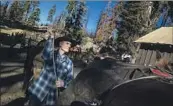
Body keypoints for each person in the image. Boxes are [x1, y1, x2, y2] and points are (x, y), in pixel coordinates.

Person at [28, 30, 74, 106]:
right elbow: (45, 54)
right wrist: (51, 39)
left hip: (52, 97)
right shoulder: (51, 55)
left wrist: (63, 83)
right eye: (67, 43)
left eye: (70, 44)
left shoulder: (69, 63)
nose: (69, 45)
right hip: (39, 90)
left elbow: (70, 79)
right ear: (60, 44)